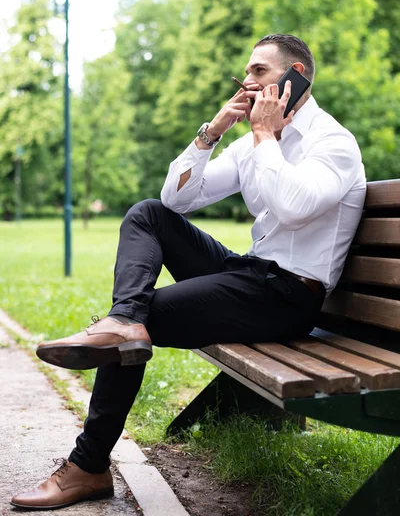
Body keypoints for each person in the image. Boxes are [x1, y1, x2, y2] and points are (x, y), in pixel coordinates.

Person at [11, 34, 366, 509]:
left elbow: (295, 206)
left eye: (259, 71)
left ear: (294, 77)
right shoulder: (252, 145)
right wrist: (214, 130)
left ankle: (88, 466)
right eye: (246, 71)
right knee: (147, 214)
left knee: (141, 326)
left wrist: (263, 135)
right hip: (250, 275)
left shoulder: (332, 142)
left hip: (287, 296)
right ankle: (123, 320)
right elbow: (176, 199)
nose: (246, 80)